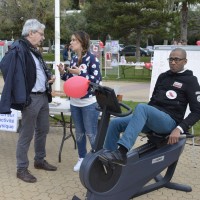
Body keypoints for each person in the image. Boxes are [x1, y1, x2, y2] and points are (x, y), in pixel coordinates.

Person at [99, 48, 200, 166]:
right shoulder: (163, 77)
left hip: (170, 122)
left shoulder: (191, 81)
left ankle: (121, 152)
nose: (173, 62)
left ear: (185, 61)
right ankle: (109, 159)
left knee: (142, 107)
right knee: (115, 123)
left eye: (177, 59)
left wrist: (179, 129)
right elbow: (153, 101)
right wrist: (139, 118)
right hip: (153, 119)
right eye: (171, 59)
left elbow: (197, 111)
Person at [0, 19, 57, 183]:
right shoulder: (19, 48)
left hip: (43, 96)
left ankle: (39, 160)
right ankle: (21, 168)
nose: (42, 37)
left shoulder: (33, 51)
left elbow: (35, 72)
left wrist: (47, 78)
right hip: (31, 98)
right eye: (41, 34)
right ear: (31, 33)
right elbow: (6, 65)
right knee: (26, 134)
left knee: (43, 129)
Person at [58, 31, 102, 172]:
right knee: (79, 133)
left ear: (82, 43)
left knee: (91, 133)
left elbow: (96, 81)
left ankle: (98, 159)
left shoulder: (92, 59)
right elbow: (71, 81)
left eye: (73, 40)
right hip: (75, 103)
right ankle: (82, 158)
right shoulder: (73, 59)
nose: (71, 43)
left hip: (89, 103)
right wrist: (63, 73)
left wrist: (80, 73)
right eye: (71, 40)